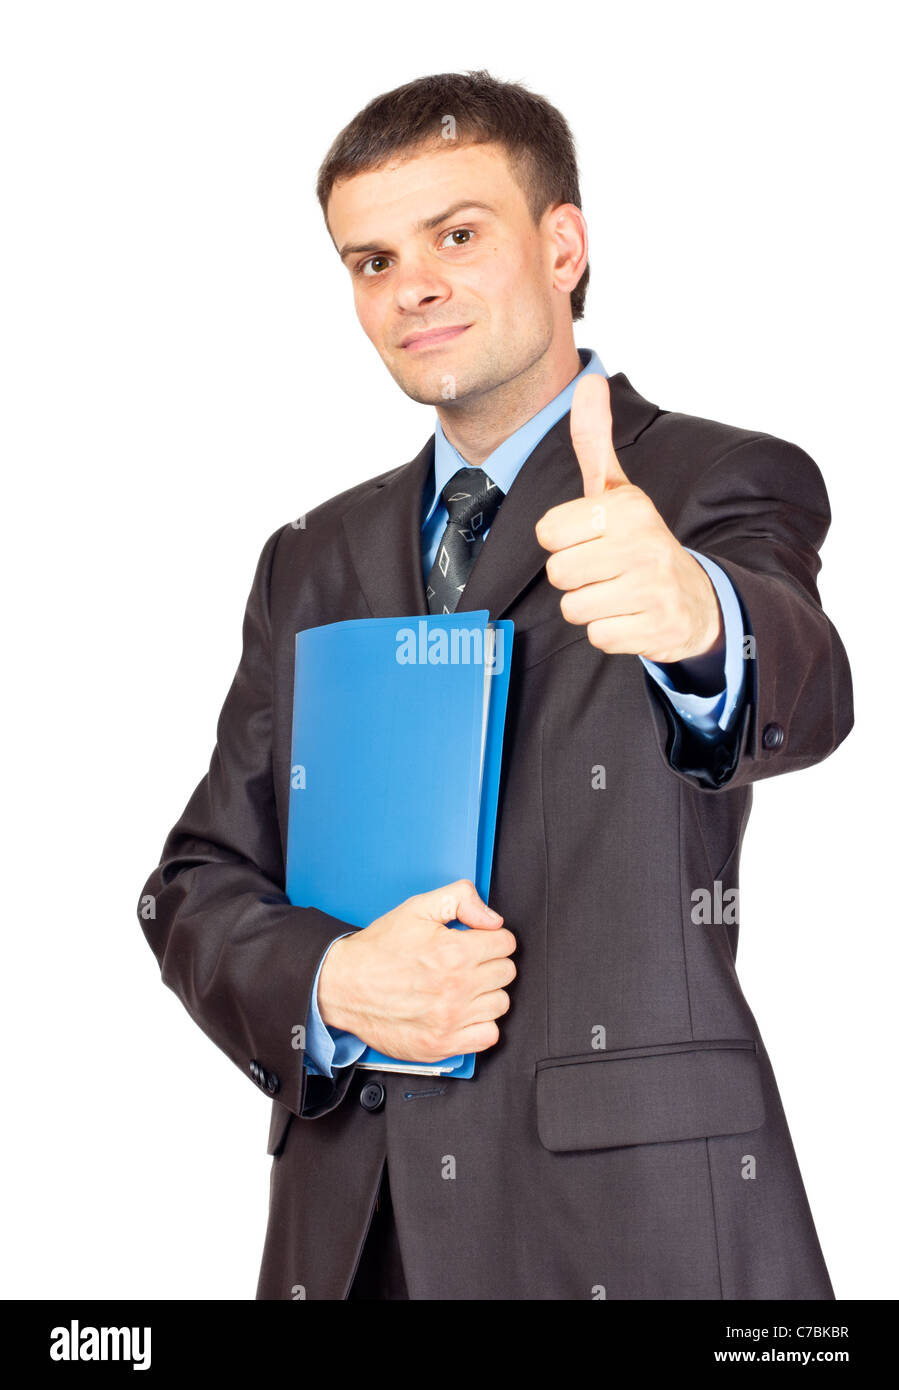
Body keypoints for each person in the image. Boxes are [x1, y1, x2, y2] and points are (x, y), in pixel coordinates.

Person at [138, 69, 854, 1300]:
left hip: (632, 1225)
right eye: (369, 261)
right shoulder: (310, 556)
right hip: (355, 1233)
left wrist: (698, 614)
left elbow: (800, 679)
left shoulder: (712, 480)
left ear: (562, 243)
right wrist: (327, 981)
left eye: (455, 236)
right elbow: (196, 883)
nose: (410, 286)